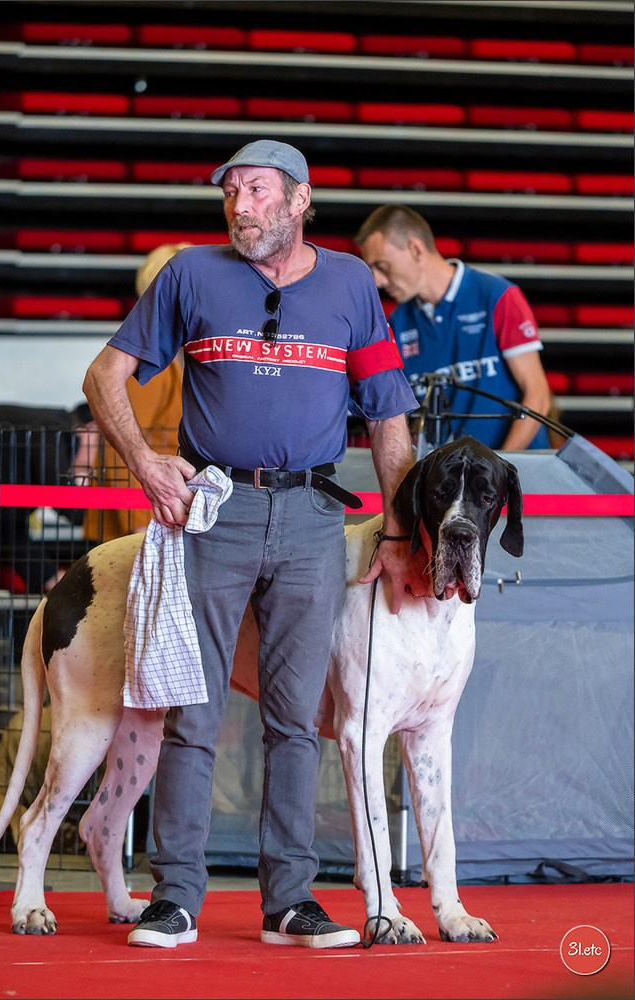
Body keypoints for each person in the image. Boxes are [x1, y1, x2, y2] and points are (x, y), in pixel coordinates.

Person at [83, 139, 425, 951]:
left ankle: (289, 905)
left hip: (313, 519)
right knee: (193, 716)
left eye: (258, 191)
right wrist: (144, 463)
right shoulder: (190, 275)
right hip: (214, 510)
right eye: (231, 192)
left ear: (300, 200)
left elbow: (386, 418)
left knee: (296, 722)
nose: (240, 206)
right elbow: (104, 376)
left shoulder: (349, 283)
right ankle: (176, 900)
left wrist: (403, 529)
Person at [354, 205, 551, 451]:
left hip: (517, 477)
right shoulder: (398, 321)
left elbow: (538, 396)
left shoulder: (497, 295)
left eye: (381, 266)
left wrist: (500, 470)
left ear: (415, 249)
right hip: (452, 481)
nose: (377, 281)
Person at [83, 243, 191, 543]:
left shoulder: (184, 355)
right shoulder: (148, 363)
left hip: (164, 516)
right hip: (141, 524)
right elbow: (120, 448)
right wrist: (138, 526)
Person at [0, 401, 99, 593]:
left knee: (14, 538)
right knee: (13, 538)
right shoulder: (55, 429)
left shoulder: (55, 425)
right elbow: (68, 504)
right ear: (92, 429)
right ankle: (67, 593)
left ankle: (65, 591)